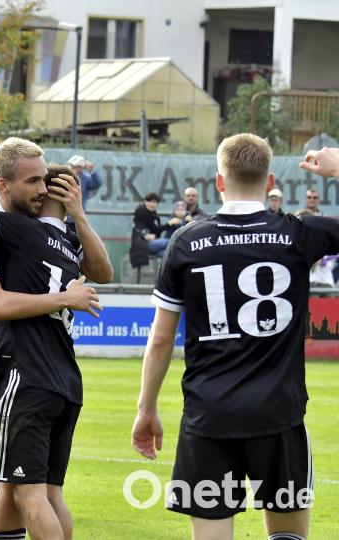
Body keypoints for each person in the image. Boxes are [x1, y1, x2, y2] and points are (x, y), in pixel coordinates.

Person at [131, 133, 339, 540]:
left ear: (218, 183)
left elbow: (160, 339)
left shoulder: (186, 240)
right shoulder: (299, 234)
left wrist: (146, 409)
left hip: (208, 416)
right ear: (270, 181)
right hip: (278, 415)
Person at [0, 152, 111, 540]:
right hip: (67, 380)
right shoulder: (69, 247)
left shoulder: (23, 231)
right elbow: (103, 271)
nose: (37, 191)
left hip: (26, 377)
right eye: (30, 181)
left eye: (41, 183)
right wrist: (79, 215)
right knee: (48, 494)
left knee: (28, 497)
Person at [133, 192, 168, 257]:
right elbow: (155, 229)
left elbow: (157, 233)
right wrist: (169, 224)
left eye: (154, 202)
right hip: (143, 244)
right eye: (149, 201)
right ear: (145, 202)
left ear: (157, 204)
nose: (152, 204)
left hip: (152, 243)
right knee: (170, 242)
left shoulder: (154, 215)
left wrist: (154, 235)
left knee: (166, 254)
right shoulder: (142, 213)